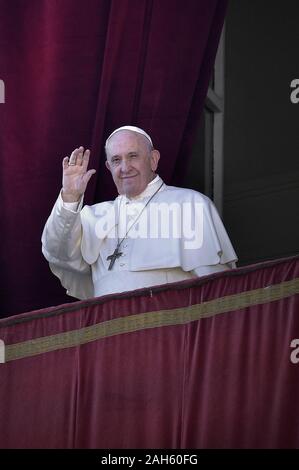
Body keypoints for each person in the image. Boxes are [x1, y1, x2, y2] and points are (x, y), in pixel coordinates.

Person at [42, 126, 237, 299]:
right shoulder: (93, 216)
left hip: (169, 332)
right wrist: (70, 197)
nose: (125, 168)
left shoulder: (191, 204)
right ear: (109, 168)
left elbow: (218, 289)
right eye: (116, 160)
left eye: (133, 156)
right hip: (108, 332)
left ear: (153, 160)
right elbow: (58, 254)